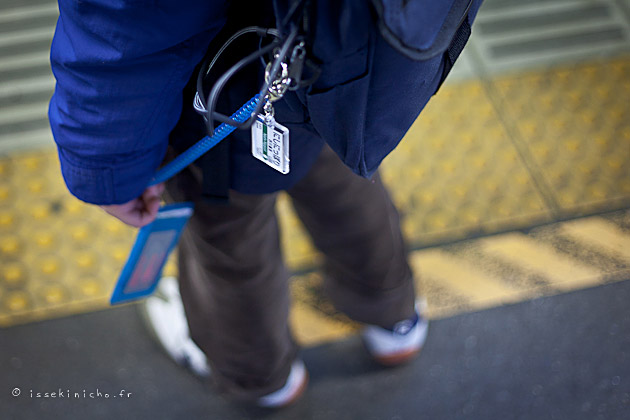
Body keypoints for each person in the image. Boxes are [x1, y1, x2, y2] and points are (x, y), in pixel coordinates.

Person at [49, 0, 482, 409]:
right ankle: (392, 315)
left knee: (230, 241)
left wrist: (107, 169)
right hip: (339, 71)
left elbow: (123, 28)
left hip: (223, 97)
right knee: (343, 185)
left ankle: (261, 380)